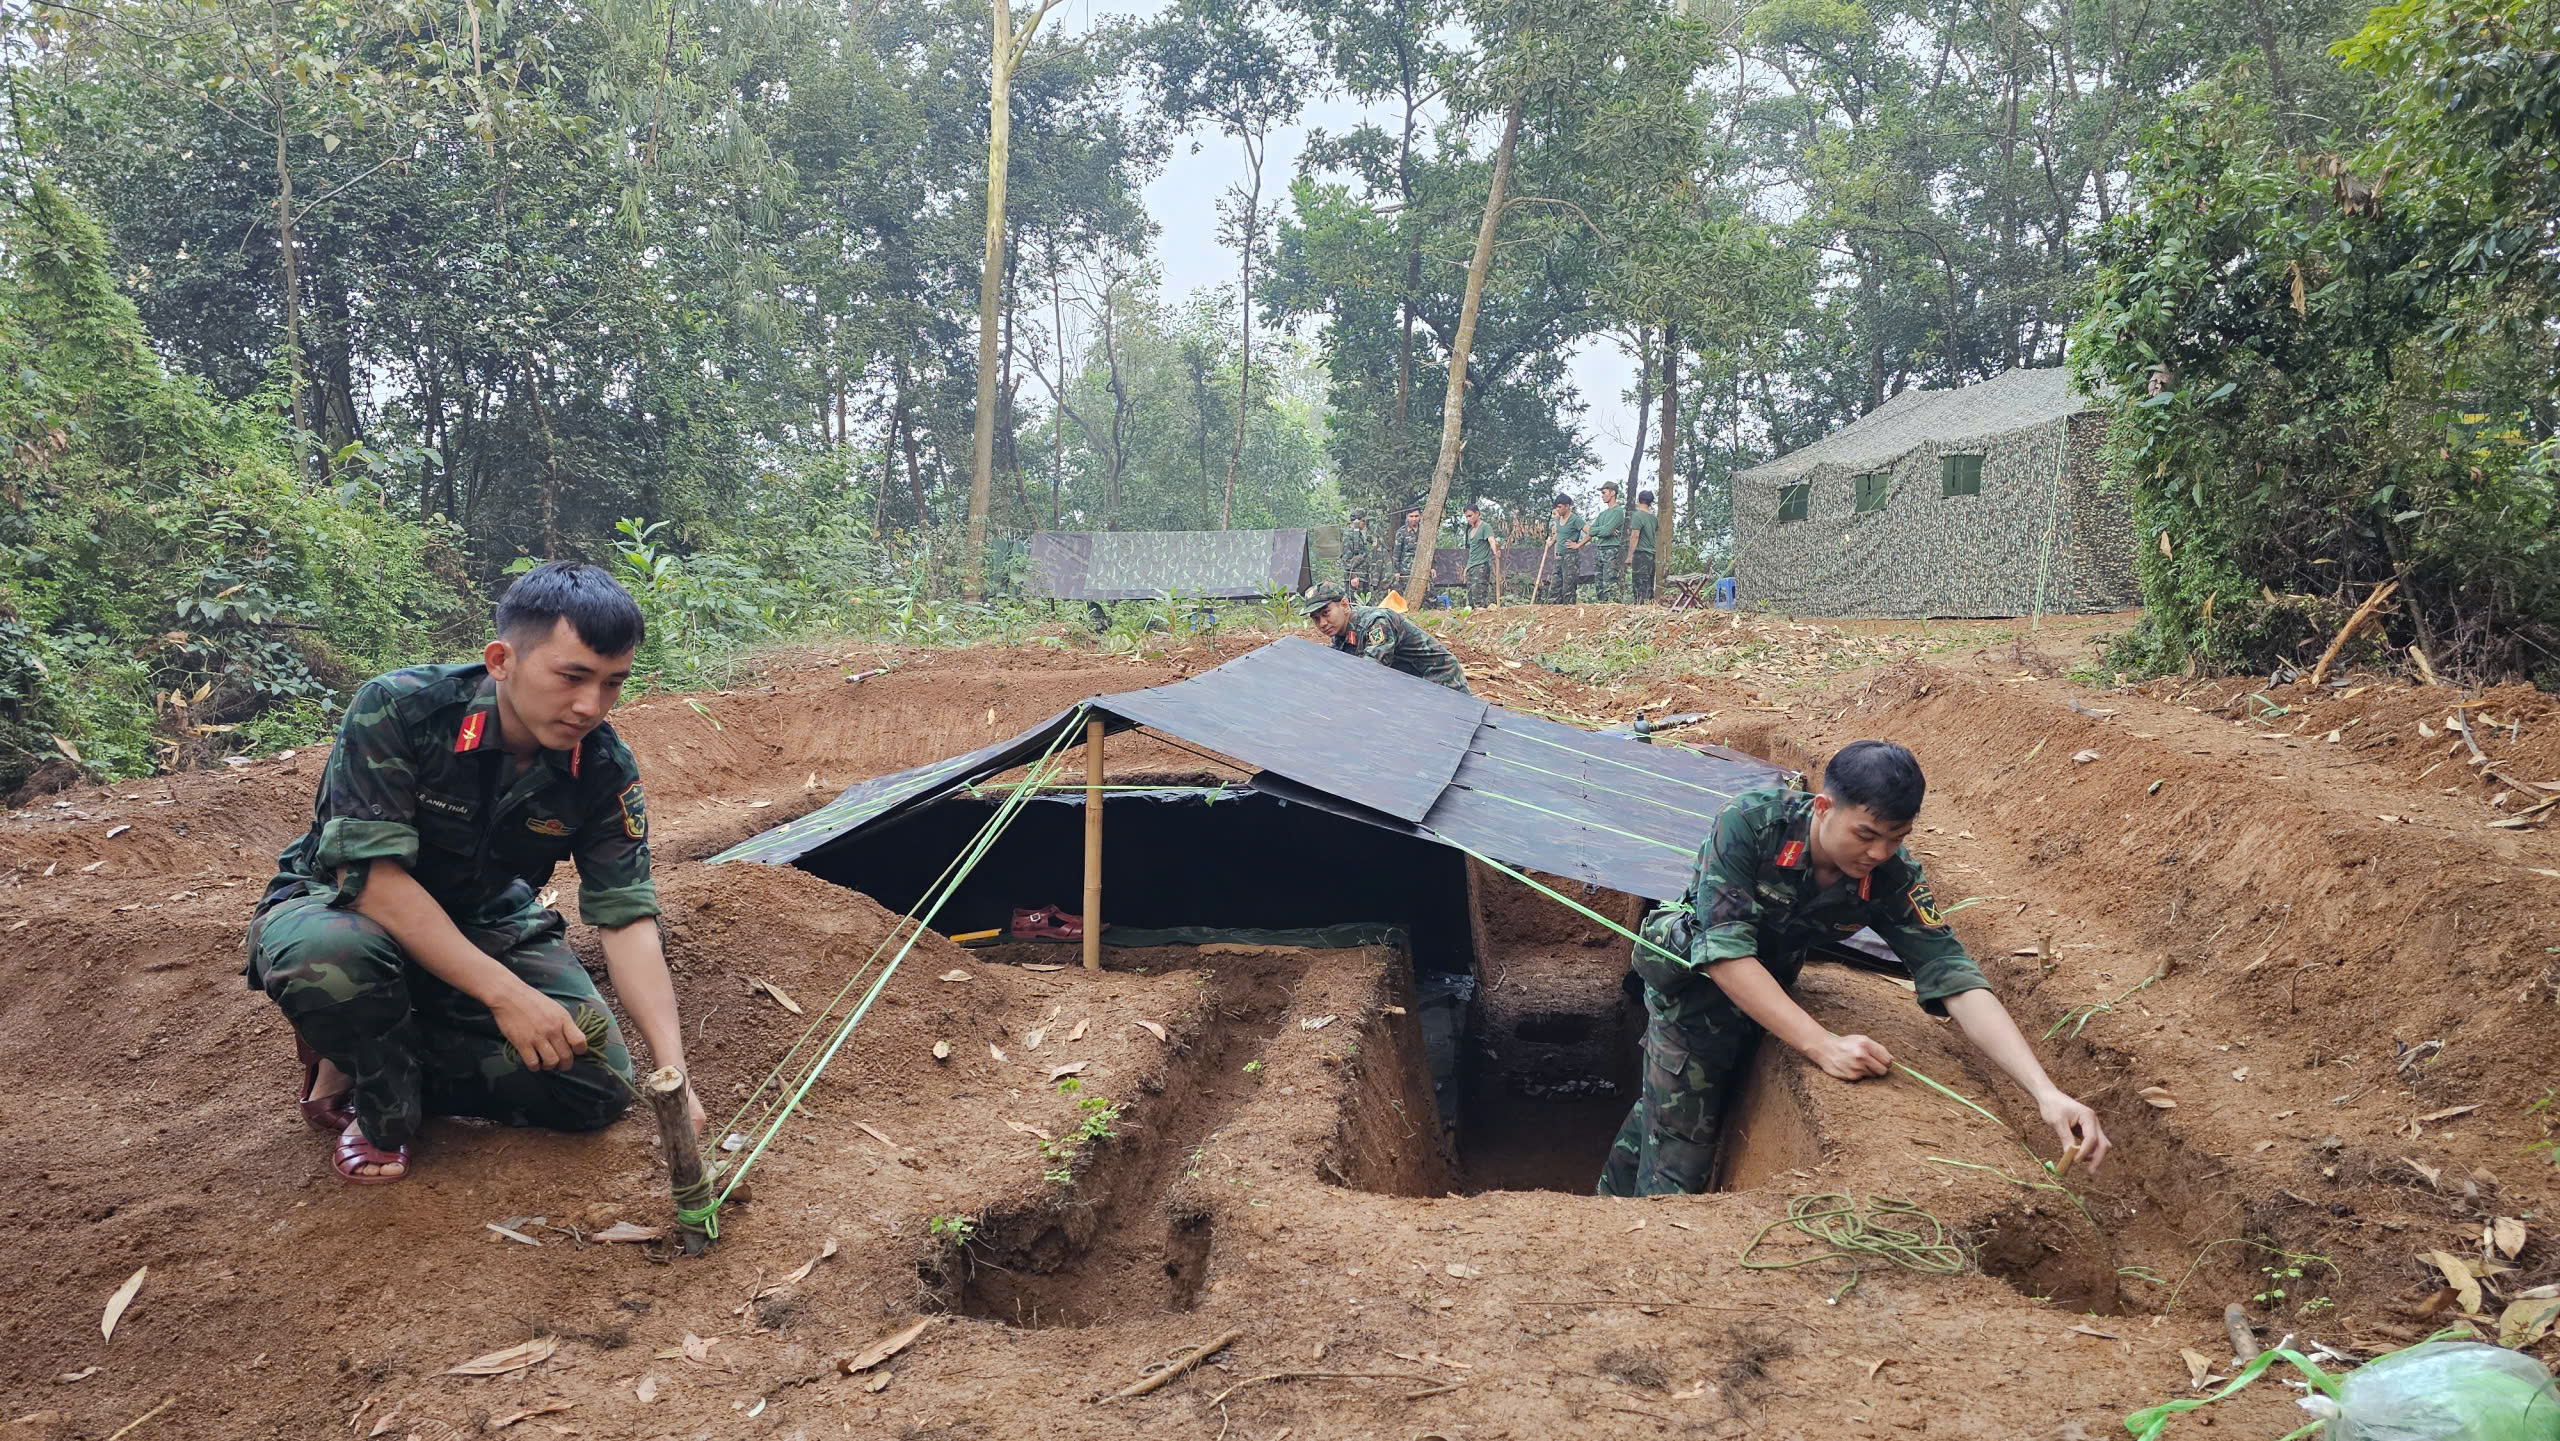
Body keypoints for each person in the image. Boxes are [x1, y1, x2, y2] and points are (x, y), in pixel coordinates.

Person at [246, 563, 704, 1185]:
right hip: (345, 903)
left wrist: (673, 1075)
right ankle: (382, 1099)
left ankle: (369, 1039)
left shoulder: (601, 767)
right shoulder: (401, 710)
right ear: (501, 660)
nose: (589, 706)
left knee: (595, 1087)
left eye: (612, 683)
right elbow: (374, 880)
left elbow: (625, 919)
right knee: (330, 962)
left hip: (485, 914)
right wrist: (507, 997)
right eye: (571, 676)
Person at [1600, 741, 2109, 1197]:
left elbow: (1951, 971)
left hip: (1767, 985)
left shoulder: (1890, 873)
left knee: (1659, 1113)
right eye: (1866, 834)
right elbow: (1724, 954)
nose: (1878, 853)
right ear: (1823, 807)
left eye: (1896, 837)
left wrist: (2045, 1092)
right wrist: (1821, 1044)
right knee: (1679, 1163)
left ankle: (1607, 1202)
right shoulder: (1751, 824)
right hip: (1692, 992)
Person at [1298, 580, 1470, 693]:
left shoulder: (1376, 623)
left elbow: (1369, 672)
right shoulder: (1341, 635)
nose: (1322, 623)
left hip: (1440, 679)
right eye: (1316, 619)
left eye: (1326, 613)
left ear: (1344, 604)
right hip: (1412, 685)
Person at [1540, 493, 1585, 604]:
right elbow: (1559, 534)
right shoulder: (1558, 520)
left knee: (1568, 587)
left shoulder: (1575, 519)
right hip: (1559, 556)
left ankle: (1569, 612)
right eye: (1557, 507)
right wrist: (1551, 542)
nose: (1558, 510)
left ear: (1567, 506)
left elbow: (1590, 532)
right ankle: (1554, 612)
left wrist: (1578, 545)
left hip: (1570, 556)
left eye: (1560, 507)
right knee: (1555, 586)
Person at [1587, 483, 1628, 603]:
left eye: (1604, 493)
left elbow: (1605, 531)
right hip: (1599, 549)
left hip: (1611, 549)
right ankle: (1602, 608)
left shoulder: (1618, 511)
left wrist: (1605, 530)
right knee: (1599, 582)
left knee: (1610, 582)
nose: (1602, 496)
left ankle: (1614, 607)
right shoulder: (1602, 514)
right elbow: (1591, 530)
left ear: (1613, 493)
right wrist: (1605, 529)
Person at [1462, 502, 1502, 608]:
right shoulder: (1470, 531)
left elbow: (1491, 540)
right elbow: (1472, 551)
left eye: (1470, 516)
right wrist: (1467, 567)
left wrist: (1495, 551)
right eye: (1466, 517)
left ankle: (1482, 617)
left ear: (1477, 513)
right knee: (1470, 598)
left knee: (1478, 596)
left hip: (1481, 566)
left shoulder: (1485, 527)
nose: (1468, 519)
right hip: (1471, 566)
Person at [1630, 490, 1659, 604]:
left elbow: (1635, 536)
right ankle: (1650, 608)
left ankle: (1639, 608)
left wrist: (1630, 555)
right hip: (1651, 554)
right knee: (1649, 583)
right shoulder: (1653, 518)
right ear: (1651, 502)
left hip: (1641, 554)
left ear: (1639, 499)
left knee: (1639, 583)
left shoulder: (1637, 515)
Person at [1341, 511, 1373, 598]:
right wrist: (1353, 576)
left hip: (1363, 576)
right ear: (1356, 521)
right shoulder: (1348, 535)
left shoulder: (1359, 535)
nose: (1365, 523)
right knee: (1355, 605)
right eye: (1363, 521)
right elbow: (1346, 559)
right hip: (1355, 578)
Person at [1393, 507, 1422, 593]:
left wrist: (1432, 567)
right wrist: (1396, 571)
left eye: (1416, 516)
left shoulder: (1424, 531)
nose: (1414, 519)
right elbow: (1396, 554)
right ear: (1407, 516)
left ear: (1420, 516)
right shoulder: (1401, 532)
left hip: (1422, 569)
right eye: (1411, 516)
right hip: (1406, 571)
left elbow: (1431, 551)